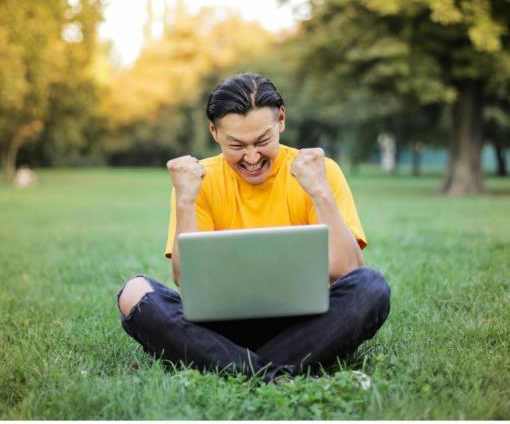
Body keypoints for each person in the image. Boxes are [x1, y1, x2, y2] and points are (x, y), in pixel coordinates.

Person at [116, 73, 391, 382]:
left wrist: (320, 192)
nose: (251, 157)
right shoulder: (197, 180)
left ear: (281, 120)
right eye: (236, 145)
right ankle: (275, 373)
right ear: (214, 131)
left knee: (372, 285)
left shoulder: (318, 172)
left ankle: (233, 366)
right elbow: (186, 279)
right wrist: (185, 201)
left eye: (262, 141)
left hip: (303, 324)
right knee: (133, 293)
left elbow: (349, 272)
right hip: (221, 325)